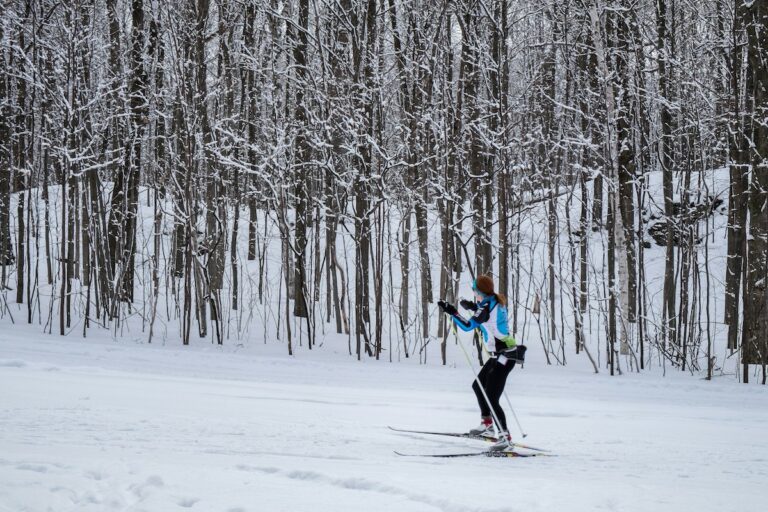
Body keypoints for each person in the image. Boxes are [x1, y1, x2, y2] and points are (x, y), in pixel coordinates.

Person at [437, 274, 523, 452]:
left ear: (480, 292)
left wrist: (452, 312)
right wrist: (473, 306)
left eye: (475, 291)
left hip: (506, 355)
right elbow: (486, 315)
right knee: (478, 386)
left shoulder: (486, 304)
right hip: (498, 355)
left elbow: (468, 326)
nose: (474, 293)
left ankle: (505, 437)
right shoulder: (491, 301)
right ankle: (487, 425)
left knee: (492, 397)